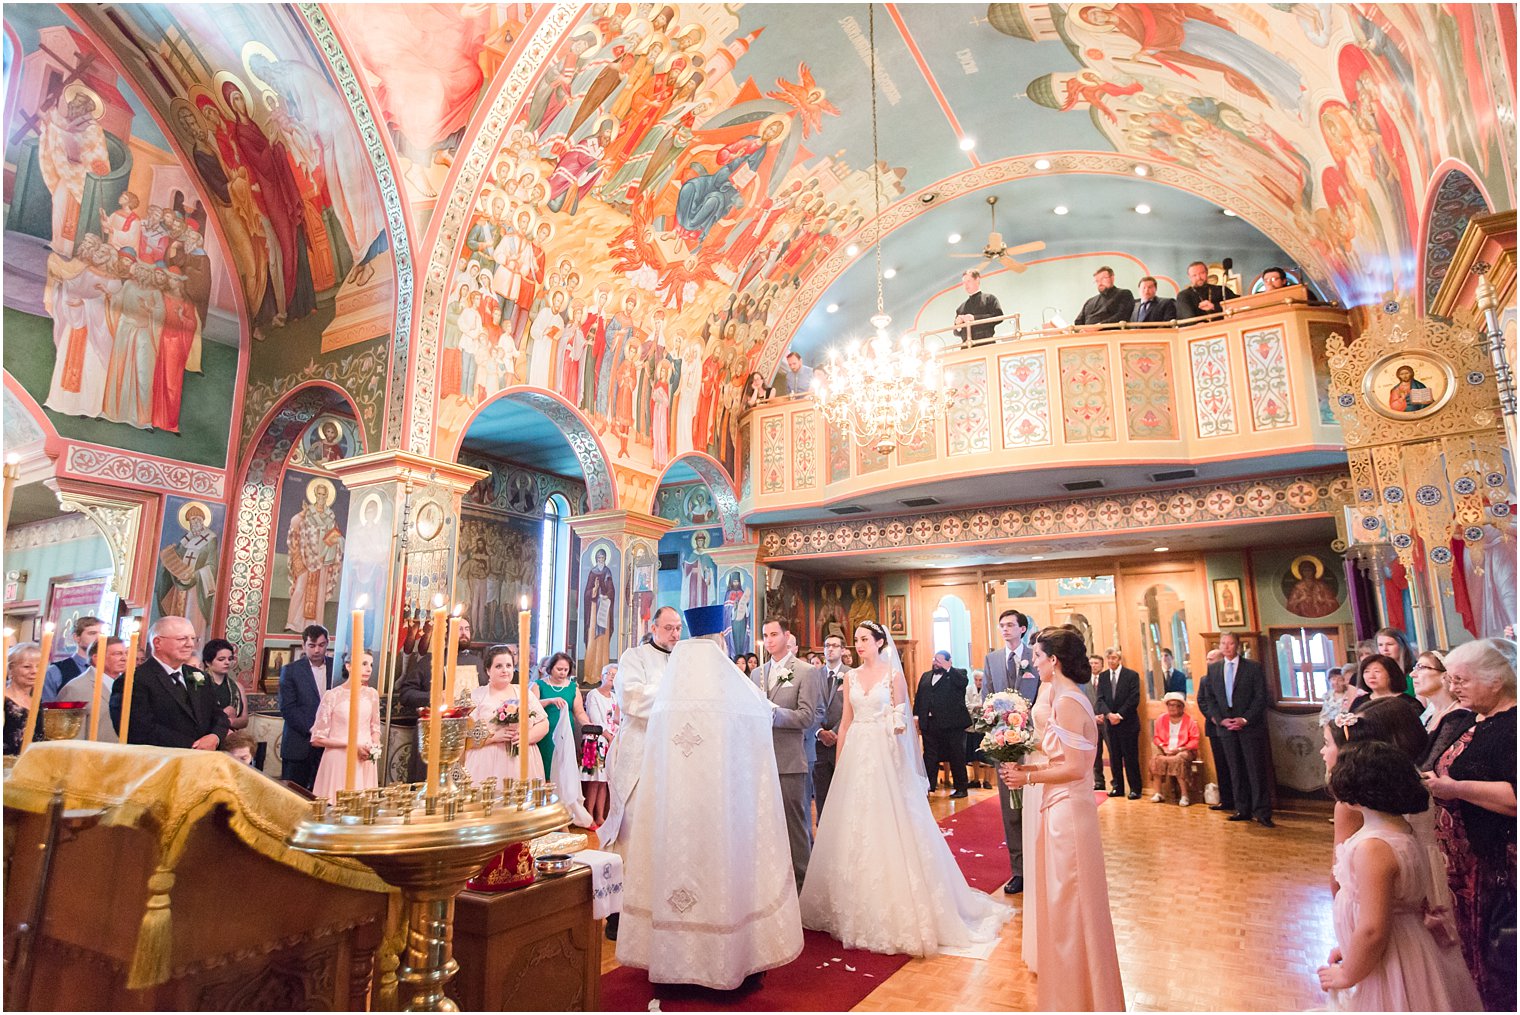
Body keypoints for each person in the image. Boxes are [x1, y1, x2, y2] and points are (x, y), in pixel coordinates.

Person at [617, 605, 803, 988]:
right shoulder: (728, 679)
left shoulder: (672, 684)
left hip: (675, 803)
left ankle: (672, 964)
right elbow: (760, 720)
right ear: (721, 636)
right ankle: (726, 961)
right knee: (721, 870)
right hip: (721, 803)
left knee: (673, 863)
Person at [800, 620, 1010, 956]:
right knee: (852, 824)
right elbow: (847, 721)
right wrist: (841, 763)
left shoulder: (893, 676)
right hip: (856, 751)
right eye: (856, 640)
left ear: (880, 642)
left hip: (884, 753)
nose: (859, 645)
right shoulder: (849, 677)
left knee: (885, 823)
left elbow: (902, 718)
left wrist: (897, 748)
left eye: (865, 639)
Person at [1001, 627, 1125, 1010]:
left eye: (1038, 657)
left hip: (1068, 812)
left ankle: (1078, 997)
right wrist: (1015, 740)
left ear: (1054, 660)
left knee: (1070, 905)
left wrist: (1027, 776)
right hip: (1063, 807)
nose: (1035, 663)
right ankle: (1078, 992)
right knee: (1067, 906)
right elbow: (1059, 747)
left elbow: (1074, 767)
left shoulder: (1070, 700)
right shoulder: (1070, 698)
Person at [1317, 740, 1484, 1011]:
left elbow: (1373, 930)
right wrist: (1350, 948)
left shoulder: (1374, 847)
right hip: (1394, 947)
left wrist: (1348, 973)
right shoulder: (1400, 830)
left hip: (1389, 959)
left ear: (1356, 792)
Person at [1423, 638, 1517, 1011]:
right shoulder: (1475, 718)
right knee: (1471, 946)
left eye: (1461, 680)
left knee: (1496, 949)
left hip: (1495, 860)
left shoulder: (1512, 726)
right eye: (1450, 679)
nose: (1452, 687)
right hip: (1464, 858)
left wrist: (1454, 788)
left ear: (1496, 680)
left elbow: (1515, 797)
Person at [600, 604, 681, 943]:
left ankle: (656, 910)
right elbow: (633, 698)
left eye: (678, 628)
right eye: (669, 628)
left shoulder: (683, 660)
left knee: (664, 831)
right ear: (654, 628)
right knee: (629, 832)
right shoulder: (634, 657)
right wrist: (677, 697)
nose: (675, 634)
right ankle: (619, 915)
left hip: (671, 754)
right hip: (637, 751)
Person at [753, 618, 824, 891]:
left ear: (787, 636)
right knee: (765, 825)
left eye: (774, 634)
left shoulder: (805, 672)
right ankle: (772, 882)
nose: (769, 640)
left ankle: (803, 886)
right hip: (761, 759)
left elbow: (807, 717)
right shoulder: (757, 673)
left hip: (789, 760)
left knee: (795, 824)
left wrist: (774, 714)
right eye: (765, 635)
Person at [108, 616, 228, 750]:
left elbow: (218, 714)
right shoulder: (134, 680)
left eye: (193, 639)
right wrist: (193, 746)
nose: (190, 644)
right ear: (157, 642)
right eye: (182, 639)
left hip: (202, 760)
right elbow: (137, 728)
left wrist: (215, 736)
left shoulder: (197, 675)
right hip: (159, 760)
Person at [985, 608, 1039, 893]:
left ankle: (1039, 864)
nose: (1004, 629)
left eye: (1010, 625)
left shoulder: (1035, 657)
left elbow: (1042, 697)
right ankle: (1018, 869)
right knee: (1010, 808)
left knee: (1034, 805)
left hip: (1034, 743)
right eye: (1001, 625)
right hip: (1003, 742)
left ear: (1022, 629)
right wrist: (996, 730)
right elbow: (987, 700)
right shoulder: (992, 659)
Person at [1202, 632, 1273, 827]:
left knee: (1255, 770)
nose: (1226, 647)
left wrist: (1244, 719)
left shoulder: (1252, 667)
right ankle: (1242, 809)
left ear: (1237, 646)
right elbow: (1210, 699)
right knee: (1235, 770)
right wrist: (1221, 720)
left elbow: (1260, 697)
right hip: (1225, 728)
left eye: (1230, 643)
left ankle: (1262, 812)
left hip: (1249, 726)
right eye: (1223, 643)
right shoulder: (1214, 669)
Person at [463, 645, 548, 785]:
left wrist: (526, 737)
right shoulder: (477, 695)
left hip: (521, 758)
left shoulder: (524, 693)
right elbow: (466, 733)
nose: (505, 670)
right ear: (488, 670)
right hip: (487, 760)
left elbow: (543, 723)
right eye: (498, 666)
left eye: (508, 665)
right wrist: (493, 736)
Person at [307, 651, 382, 802]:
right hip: (339, 758)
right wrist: (351, 745)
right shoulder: (332, 695)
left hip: (364, 759)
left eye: (371, 665)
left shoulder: (372, 694)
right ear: (349, 666)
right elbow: (317, 739)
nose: (369, 669)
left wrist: (373, 746)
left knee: (363, 807)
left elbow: (375, 727)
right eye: (364, 664)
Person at [277, 625, 331, 789]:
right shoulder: (291, 671)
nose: (317, 650)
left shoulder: (336, 668)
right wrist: (314, 729)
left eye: (321, 645)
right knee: (294, 793)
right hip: (299, 744)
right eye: (312, 646)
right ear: (303, 645)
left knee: (323, 792)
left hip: (328, 743)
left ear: (327, 644)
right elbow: (288, 708)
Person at [914, 650, 972, 798]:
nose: (935, 662)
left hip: (951, 724)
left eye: (939, 660)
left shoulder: (958, 673)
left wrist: (948, 669)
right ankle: (928, 787)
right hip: (930, 723)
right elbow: (919, 697)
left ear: (948, 661)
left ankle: (961, 788)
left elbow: (962, 683)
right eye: (934, 659)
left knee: (956, 755)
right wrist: (917, 717)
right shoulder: (926, 676)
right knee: (930, 756)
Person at [57, 636, 128, 742]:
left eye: (126, 653)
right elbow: (71, 738)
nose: (124, 658)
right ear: (97, 658)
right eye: (117, 654)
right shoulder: (76, 688)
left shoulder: (127, 685)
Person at [1096, 647, 1142, 798]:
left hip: (1128, 723)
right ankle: (1118, 787)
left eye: (1114, 658)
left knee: (1130, 757)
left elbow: (1133, 698)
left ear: (1119, 659)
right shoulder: (1103, 677)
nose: (1111, 661)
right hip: (1110, 723)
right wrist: (1109, 714)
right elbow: (1100, 699)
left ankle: (1135, 788)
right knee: (1114, 757)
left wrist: (1119, 715)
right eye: (1108, 658)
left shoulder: (1131, 675)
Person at [814, 633, 850, 819]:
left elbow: (852, 708)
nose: (830, 649)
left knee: (844, 792)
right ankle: (823, 832)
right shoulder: (814, 675)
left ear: (843, 650)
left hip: (842, 742)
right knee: (821, 793)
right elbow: (808, 706)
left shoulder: (851, 674)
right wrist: (819, 732)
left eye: (835, 646)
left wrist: (835, 732)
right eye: (827, 645)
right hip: (818, 745)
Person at [1193, 648, 1234, 811]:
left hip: (1232, 728)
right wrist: (1215, 718)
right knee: (1221, 765)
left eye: (1212, 659)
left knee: (1235, 765)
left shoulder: (1229, 677)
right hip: (1215, 728)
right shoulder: (1205, 680)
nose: (1208, 662)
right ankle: (1226, 800)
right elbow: (1202, 701)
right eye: (1207, 659)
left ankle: (1242, 800)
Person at [581, 662, 618, 825]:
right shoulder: (594, 695)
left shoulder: (616, 697)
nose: (612, 677)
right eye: (609, 674)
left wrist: (616, 736)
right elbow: (596, 718)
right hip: (598, 741)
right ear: (602, 676)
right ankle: (589, 815)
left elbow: (618, 718)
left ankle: (601, 816)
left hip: (614, 740)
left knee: (605, 781)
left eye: (615, 675)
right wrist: (608, 736)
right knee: (595, 780)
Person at [1149, 692, 1199, 805]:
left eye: (1176, 705)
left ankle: (1184, 795)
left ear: (1182, 707)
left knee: (1179, 760)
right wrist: (1163, 747)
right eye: (1170, 705)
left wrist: (1180, 749)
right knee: (1156, 759)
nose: (1173, 708)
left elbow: (1194, 741)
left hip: (1184, 750)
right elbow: (1156, 737)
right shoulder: (1161, 719)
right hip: (1166, 749)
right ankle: (1158, 793)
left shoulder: (1189, 721)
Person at [41, 615, 103, 703]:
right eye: (92, 633)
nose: (99, 638)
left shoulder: (108, 668)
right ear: (76, 637)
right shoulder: (56, 671)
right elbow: (47, 707)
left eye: (102, 634)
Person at [200, 638, 249, 732]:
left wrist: (228, 722)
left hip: (229, 735)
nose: (227, 662)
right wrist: (224, 714)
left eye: (230, 659)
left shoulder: (237, 687)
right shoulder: (198, 683)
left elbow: (244, 721)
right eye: (221, 659)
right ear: (208, 662)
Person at [1350, 655, 1422, 717]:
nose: (1371, 676)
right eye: (1366, 671)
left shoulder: (1408, 703)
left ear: (1391, 674)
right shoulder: (1359, 701)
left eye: (1377, 671)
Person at [4, 643, 42, 754]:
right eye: (27, 666)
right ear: (11, 669)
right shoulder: (4, 700)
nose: (34, 671)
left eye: (38, 666)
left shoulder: (37, 701)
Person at [953, 268, 1003, 345]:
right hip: (967, 348)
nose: (966, 285)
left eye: (968, 281)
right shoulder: (961, 308)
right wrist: (958, 325)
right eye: (964, 282)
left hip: (986, 344)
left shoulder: (989, 299)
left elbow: (999, 317)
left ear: (977, 280)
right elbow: (956, 332)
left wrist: (974, 318)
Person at [965, 669, 995, 790]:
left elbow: (990, 705)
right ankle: (976, 779)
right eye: (976, 680)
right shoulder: (968, 689)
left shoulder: (988, 690)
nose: (978, 682)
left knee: (986, 754)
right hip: (972, 725)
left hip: (985, 725)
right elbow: (966, 704)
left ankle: (987, 780)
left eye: (981, 680)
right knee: (974, 754)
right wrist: (976, 707)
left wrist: (981, 708)